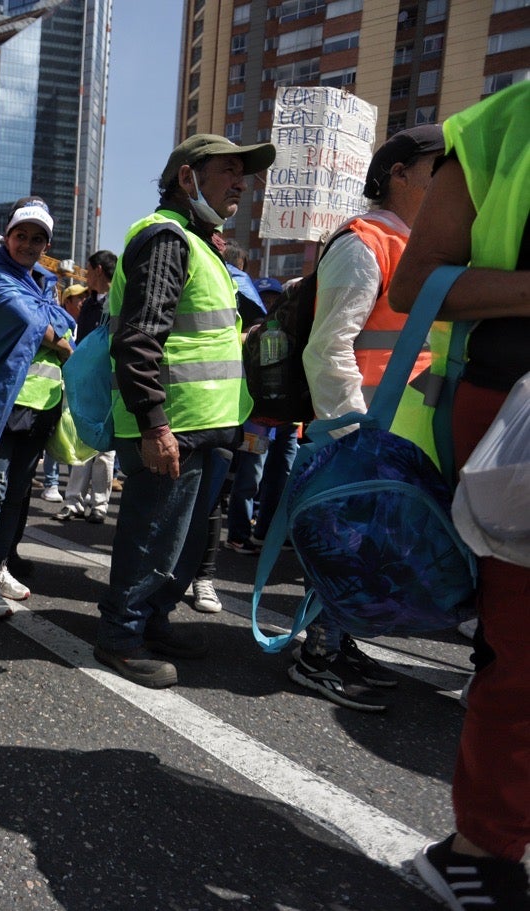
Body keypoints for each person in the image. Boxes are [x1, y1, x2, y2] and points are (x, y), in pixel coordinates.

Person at [388, 82, 530, 908]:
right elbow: (417, 287)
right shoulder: (499, 125)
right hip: (513, 412)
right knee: (520, 644)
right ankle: (482, 845)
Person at [95, 134, 272, 688]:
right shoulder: (166, 239)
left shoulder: (201, 244)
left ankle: (153, 620)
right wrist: (155, 425)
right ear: (188, 177)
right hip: (174, 426)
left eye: (244, 172)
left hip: (208, 424)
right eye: (228, 171)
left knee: (183, 540)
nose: (242, 182)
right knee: (152, 537)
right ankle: (121, 636)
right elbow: (139, 339)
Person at [292, 124, 444, 712]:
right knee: (346, 548)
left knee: (371, 548)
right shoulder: (364, 242)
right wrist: (353, 434)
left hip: (395, 432)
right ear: (397, 174)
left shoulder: (417, 244)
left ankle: (340, 642)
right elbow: (328, 348)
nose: (449, 182)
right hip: (359, 432)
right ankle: (318, 656)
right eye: (437, 168)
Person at [0, 197, 74, 619]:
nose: (28, 243)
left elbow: (61, 322)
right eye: (21, 234)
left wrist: (56, 329)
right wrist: (60, 338)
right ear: (7, 236)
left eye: (37, 237)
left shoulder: (41, 280)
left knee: (17, 493)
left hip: (39, 404)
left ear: (46, 244)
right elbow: (38, 323)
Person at [58, 250, 119, 524]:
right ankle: (73, 501)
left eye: (88, 271)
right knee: (80, 438)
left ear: (98, 270)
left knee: (105, 448)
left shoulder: (120, 300)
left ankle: (100, 504)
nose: (85, 276)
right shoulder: (90, 307)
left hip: (108, 381)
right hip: (86, 381)